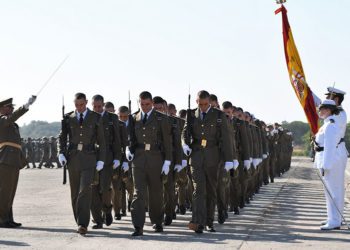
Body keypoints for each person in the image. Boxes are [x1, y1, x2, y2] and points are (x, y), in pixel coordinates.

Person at [182, 90, 233, 233]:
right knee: (198, 190)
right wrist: (185, 144)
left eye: (205, 104)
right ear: (196, 101)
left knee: (211, 190)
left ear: (209, 102)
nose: (203, 107)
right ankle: (197, 222)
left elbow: (226, 138)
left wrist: (229, 159)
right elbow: (184, 132)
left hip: (213, 157)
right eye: (200, 104)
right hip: (196, 156)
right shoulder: (191, 115)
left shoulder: (218, 116)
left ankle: (209, 221)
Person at [58, 93, 106, 235]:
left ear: (86, 102)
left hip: (89, 158)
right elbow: (62, 137)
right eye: (76, 105)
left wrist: (101, 160)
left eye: (82, 104)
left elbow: (102, 141)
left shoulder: (96, 118)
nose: (79, 108)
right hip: (73, 159)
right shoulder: (68, 118)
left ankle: (83, 224)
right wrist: (61, 152)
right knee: (74, 193)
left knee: (85, 190)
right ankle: (78, 220)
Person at [127, 91, 172, 236]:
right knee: (138, 193)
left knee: (156, 193)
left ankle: (157, 222)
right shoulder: (134, 118)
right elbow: (131, 138)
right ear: (138, 102)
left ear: (152, 103)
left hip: (156, 158)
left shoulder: (161, 118)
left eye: (147, 104)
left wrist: (167, 161)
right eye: (142, 104)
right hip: (138, 159)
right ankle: (138, 226)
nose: (145, 107)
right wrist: (129, 149)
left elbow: (167, 142)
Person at [0, 95, 36, 228]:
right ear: (2, 109)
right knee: (5, 191)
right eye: (8, 107)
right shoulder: (2, 120)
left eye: (11, 107)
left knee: (10, 192)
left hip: (13, 160)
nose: (11, 109)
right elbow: (12, 117)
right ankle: (2, 219)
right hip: (5, 160)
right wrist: (26, 106)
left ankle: (8, 218)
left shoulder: (11, 123)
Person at [90, 95, 122, 229]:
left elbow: (117, 139)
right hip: (92, 157)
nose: (97, 109)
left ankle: (107, 210)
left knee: (104, 187)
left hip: (108, 157)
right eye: (95, 106)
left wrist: (117, 157)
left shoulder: (112, 118)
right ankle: (98, 219)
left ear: (103, 105)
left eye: (99, 106)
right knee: (93, 189)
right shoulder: (89, 117)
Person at [314, 99, 344, 230]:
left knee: (334, 191)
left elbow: (330, 147)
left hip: (331, 161)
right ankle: (332, 218)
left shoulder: (330, 125)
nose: (321, 111)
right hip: (326, 160)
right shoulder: (326, 124)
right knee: (329, 191)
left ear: (330, 110)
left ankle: (335, 221)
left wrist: (326, 165)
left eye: (324, 109)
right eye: (320, 109)